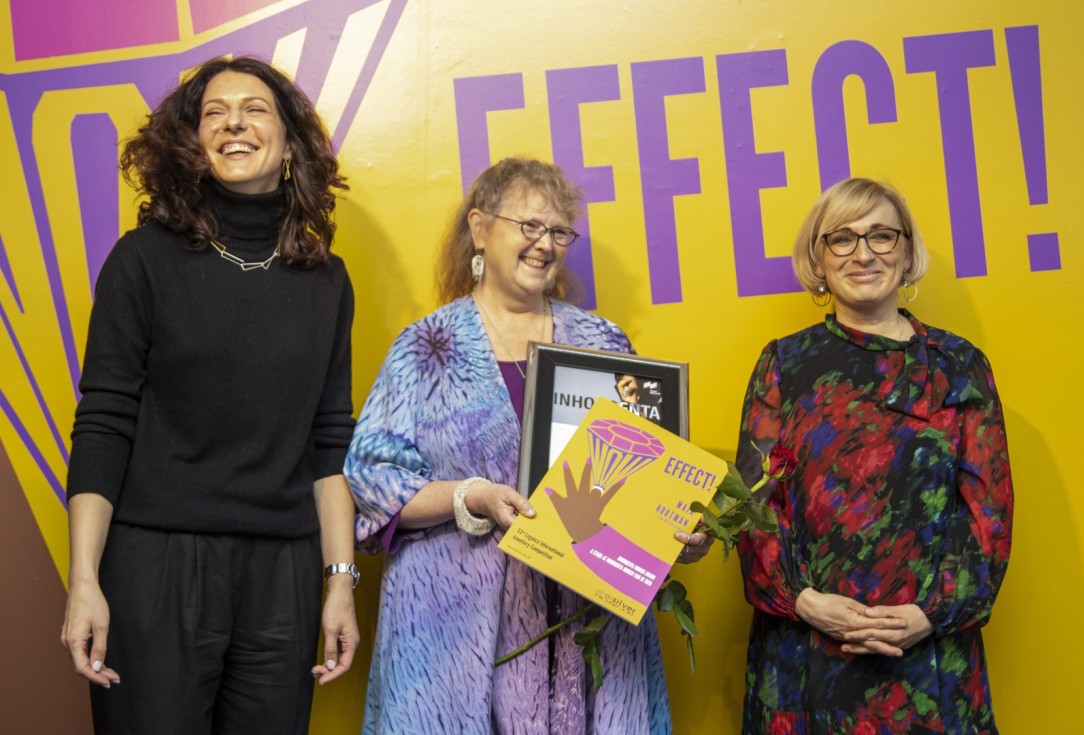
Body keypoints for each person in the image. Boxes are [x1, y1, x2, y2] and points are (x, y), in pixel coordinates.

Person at [345, 157, 711, 734]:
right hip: (454, 634)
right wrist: (471, 495)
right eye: (530, 225)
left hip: (587, 627)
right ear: (479, 228)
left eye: (559, 231)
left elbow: (647, 480)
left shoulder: (604, 342)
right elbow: (373, 483)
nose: (545, 244)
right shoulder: (425, 347)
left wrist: (675, 531)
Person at [60, 56, 359, 734]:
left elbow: (329, 439)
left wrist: (339, 580)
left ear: (291, 142)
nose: (233, 123)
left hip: (282, 572)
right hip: (157, 566)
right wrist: (84, 581)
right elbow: (103, 423)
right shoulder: (142, 260)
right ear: (191, 143)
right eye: (214, 113)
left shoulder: (326, 280)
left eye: (255, 109)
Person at [735, 177, 1013, 733]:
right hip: (804, 658)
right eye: (842, 238)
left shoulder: (958, 364)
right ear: (819, 258)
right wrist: (803, 601)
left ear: (906, 252)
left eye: (881, 236)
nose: (863, 254)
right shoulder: (783, 364)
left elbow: (989, 517)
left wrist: (929, 613)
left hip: (928, 665)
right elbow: (754, 504)